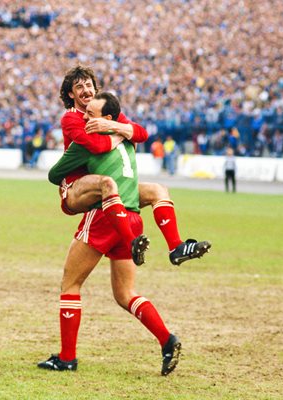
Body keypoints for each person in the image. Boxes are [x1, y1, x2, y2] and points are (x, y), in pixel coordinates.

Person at [39, 92, 181, 375]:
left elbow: (55, 173)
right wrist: (119, 131)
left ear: (105, 118)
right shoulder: (127, 135)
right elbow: (139, 132)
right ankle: (167, 340)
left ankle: (67, 358)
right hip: (132, 217)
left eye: (91, 114)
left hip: (107, 215)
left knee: (70, 284)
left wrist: (70, 184)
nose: (86, 117)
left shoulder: (88, 139)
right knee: (125, 293)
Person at [56, 66, 210, 266]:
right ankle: (131, 241)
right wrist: (121, 134)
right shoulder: (71, 117)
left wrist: (113, 126)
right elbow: (96, 146)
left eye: (88, 85)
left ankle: (176, 247)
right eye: (79, 87)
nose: (85, 90)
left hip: (108, 185)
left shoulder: (106, 113)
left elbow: (141, 133)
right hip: (76, 187)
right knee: (107, 183)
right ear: (71, 94)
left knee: (158, 190)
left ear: (95, 88)